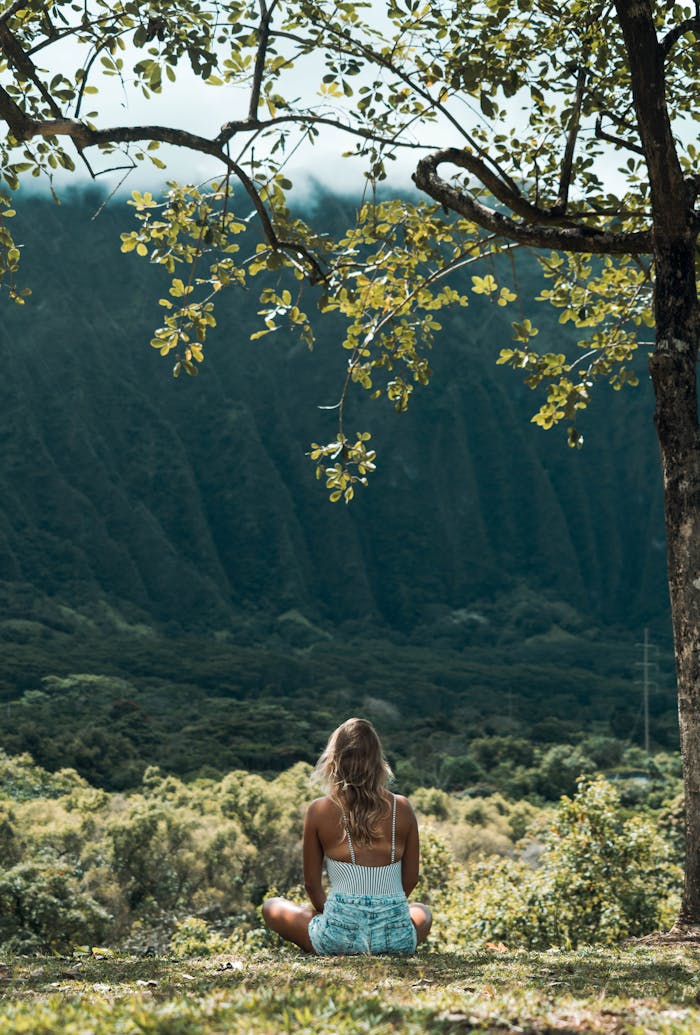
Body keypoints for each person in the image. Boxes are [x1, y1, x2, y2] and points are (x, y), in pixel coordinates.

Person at [262, 717, 432, 955]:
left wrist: (344, 918)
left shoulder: (319, 810)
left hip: (338, 938)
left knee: (272, 906)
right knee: (422, 911)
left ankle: (334, 938)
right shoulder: (402, 807)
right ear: (378, 761)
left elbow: (312, 885)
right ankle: (384, 940)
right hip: (396, 938)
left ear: (335, 760)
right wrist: (382, 912)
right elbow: (411, 879)